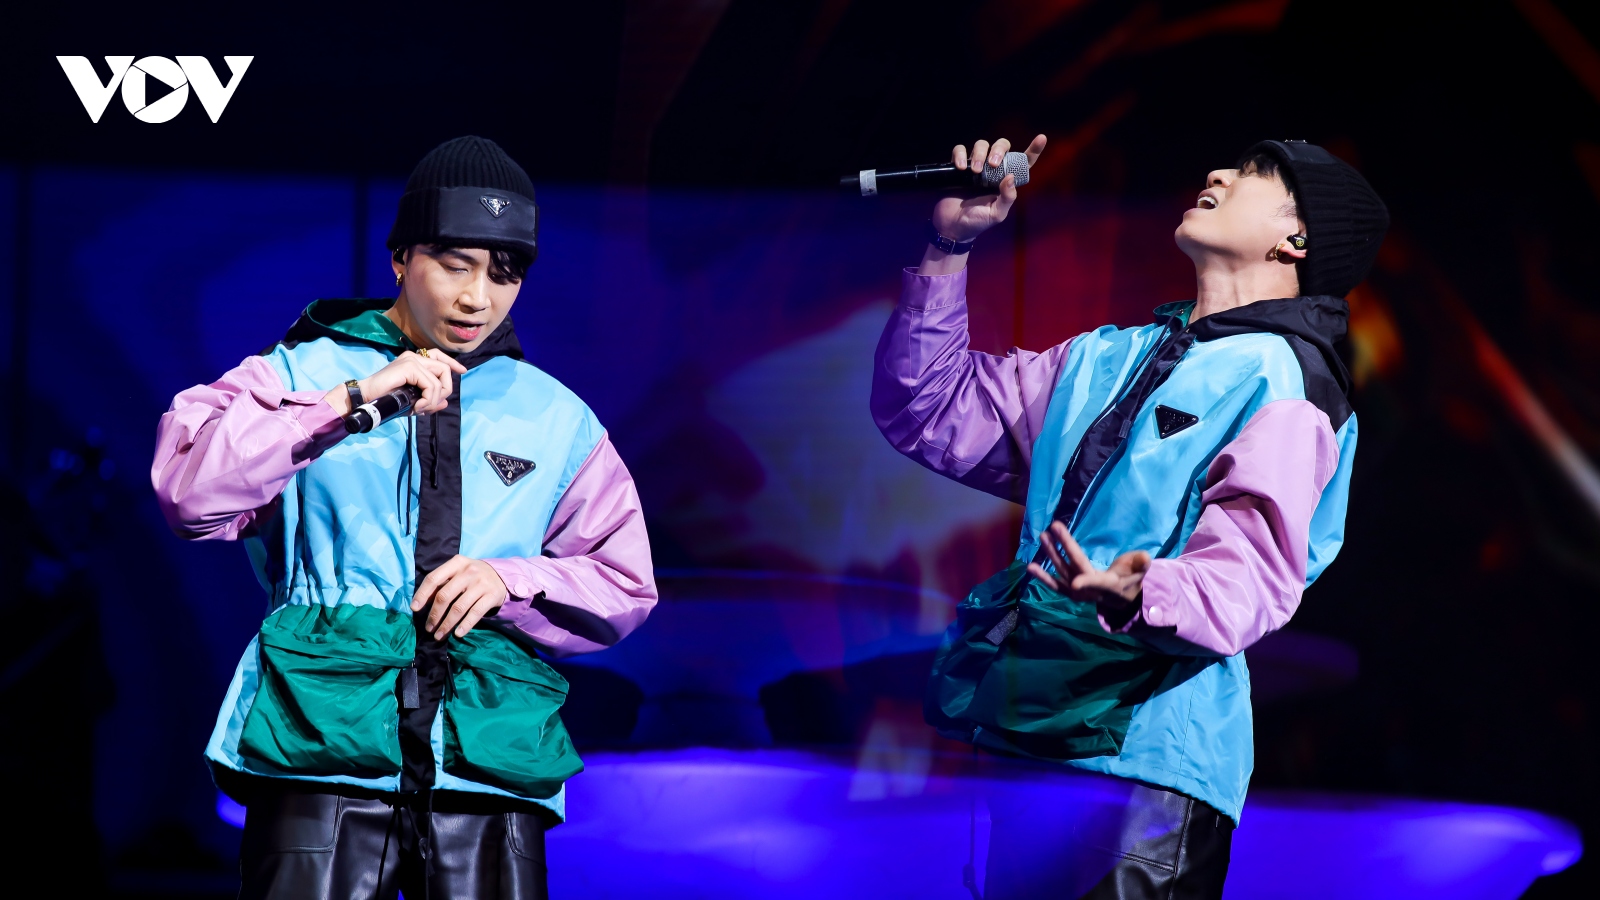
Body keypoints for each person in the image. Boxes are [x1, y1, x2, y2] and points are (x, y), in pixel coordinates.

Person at [871, 135, 1385, 898]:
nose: (1218, 172)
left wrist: (1142, 589)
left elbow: (1253, 576)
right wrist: (948, 248)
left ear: (1297, 239)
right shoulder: (1105, 359)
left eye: (1254, 175)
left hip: (1145, 766)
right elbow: (927, 406)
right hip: (1032, 735)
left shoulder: (1284, 378)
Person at [152, 136, 657, 899]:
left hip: (488, 757)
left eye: (505, 272)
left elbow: (625, 582)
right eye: (455, 263)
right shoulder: (298, 373)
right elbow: (189, 494)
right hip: (321, 741)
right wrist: (346, 402)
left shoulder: (555, 416)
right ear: (401, 257)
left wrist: (510, 579)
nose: (477, 297)